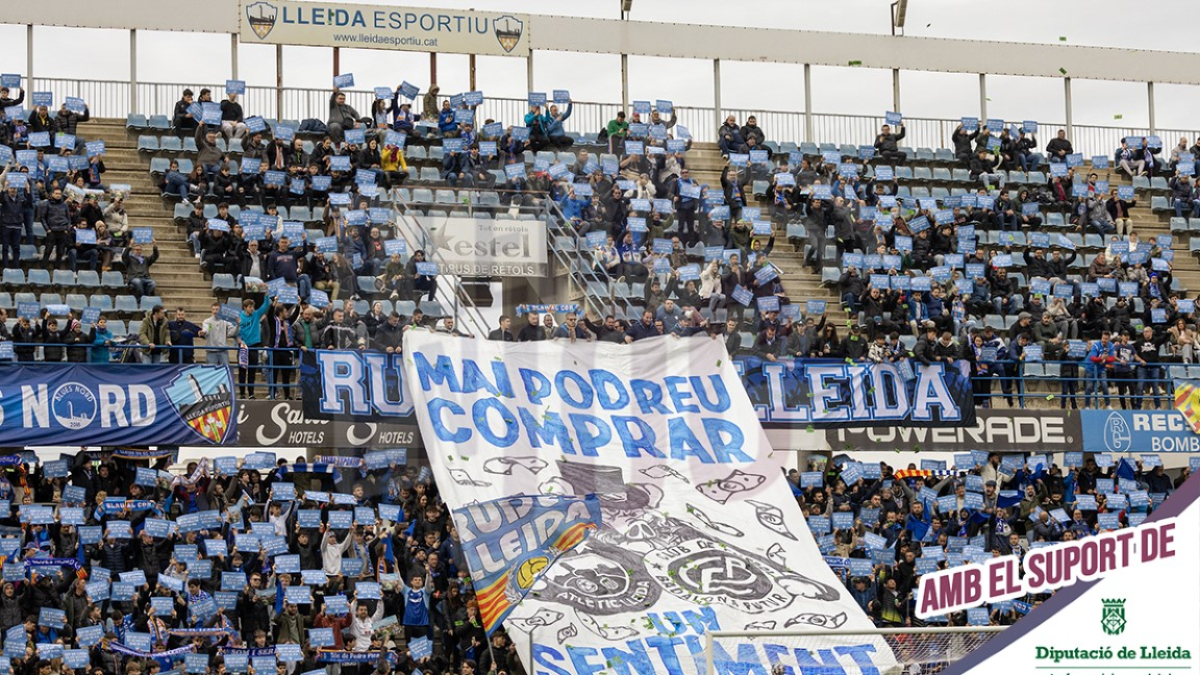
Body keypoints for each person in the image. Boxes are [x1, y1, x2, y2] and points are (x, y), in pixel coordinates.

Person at [238, 297, 274, 399]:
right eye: (250, 307)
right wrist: (239, 339)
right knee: (242, 372)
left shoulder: (256, 314)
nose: (252, 309)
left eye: (253, 307)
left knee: (252, 372)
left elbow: (265, 306)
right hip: (242, 347)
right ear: (245, 307)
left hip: (253, 346)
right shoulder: (239, 317)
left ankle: (251, 394)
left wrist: (266, 295)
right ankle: (241, 394)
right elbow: (235, 330)